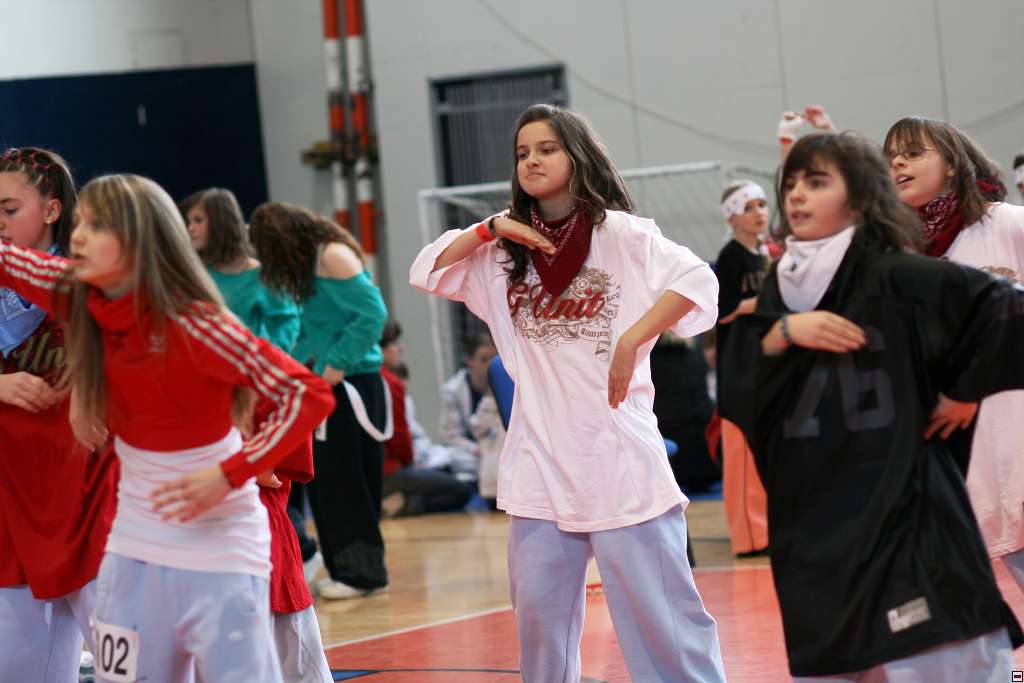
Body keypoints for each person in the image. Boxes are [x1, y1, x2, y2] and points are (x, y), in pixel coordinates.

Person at [410, 103, 725, 683]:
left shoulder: (621, 235)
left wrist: (634, 337)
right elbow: (425, 271)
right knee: (539, 626)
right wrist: (490, 228)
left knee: (664, 624)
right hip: (538, 463)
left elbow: (699, 282)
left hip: (618, 457)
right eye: (522, 152)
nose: (532, 160)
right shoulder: (499, 254)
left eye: (547, 149)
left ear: (576, 156)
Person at [0, 173, 335, 682]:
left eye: (96, 225)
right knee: (125, 677)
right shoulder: (81, 296)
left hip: (218, 547)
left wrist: (231, 472)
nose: (77, 236)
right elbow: (9, 258)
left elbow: (306, 394)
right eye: (79, 223)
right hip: (131, 549)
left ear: (139, 239)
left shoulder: (197, 324)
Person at [727, 131, 1024, 680]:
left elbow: (1007, 312)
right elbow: (742, 392)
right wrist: (785, 331)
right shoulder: (779, 293)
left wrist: (965, 391)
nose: (796, 195)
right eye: (791, 184)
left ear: (861, 197)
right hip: (820, 534)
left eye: (817, 182)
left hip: (907, 520)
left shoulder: (898, 273)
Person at [184, 187, 332, 681]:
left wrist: (252, 451)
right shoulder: (193, 285)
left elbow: (288, 358)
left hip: (258, 403)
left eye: (199, 219)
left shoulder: (261, 283)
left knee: (273, 554)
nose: (191, 228)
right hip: (211, 416)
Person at [883, 118, 1024, 593]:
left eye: (912, 152)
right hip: (968, 450)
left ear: (951, 164)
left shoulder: (1005, 223)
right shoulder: (899, 254)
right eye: (890, 157)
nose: (897, 163)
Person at [0, 147, 118, 682]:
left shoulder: (88, 284)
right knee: (19, 671)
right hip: (13, 502)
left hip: (91, 496)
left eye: (9, 210)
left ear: (51, 210)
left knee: (131, 666)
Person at [249, 202, 389, 601]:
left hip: (351, 384)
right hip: (330, 385)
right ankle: (346, 567)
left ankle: (361, 573)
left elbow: (372, 314)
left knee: (347, 483)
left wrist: (337, 362)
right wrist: (285, 369)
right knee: (329, 483)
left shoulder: (332, 256)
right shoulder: (312, 265)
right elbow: (314, 330)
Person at [714, 179, 771, 555]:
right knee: (742, 450)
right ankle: (749, 538)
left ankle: (768, 529)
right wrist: (767, 300)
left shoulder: (765, 253)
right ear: (731, 217)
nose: (758, 213)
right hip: (739, 364)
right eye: (748, 207)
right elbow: (722, 311)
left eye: (762, 205)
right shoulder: (731, 257)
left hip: (764, 360)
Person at [379, 321, 471, 517]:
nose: (400, 349)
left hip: (371, 470)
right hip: (389, 470)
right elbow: (400, 437)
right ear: (382, 349)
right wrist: (410, 462)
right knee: (461, 491)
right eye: (395, 344)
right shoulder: (390, 383)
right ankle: (406, 502)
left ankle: (401, 499)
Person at [437, 333, 499, 482]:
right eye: (483, 359)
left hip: (497, 449)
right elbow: (450, 436)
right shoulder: (452, 390)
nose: (490, 365)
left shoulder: (504, 387)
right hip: (470, 453)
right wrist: (475, 449)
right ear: (470, 361)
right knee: (451, 459)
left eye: (494, 359)